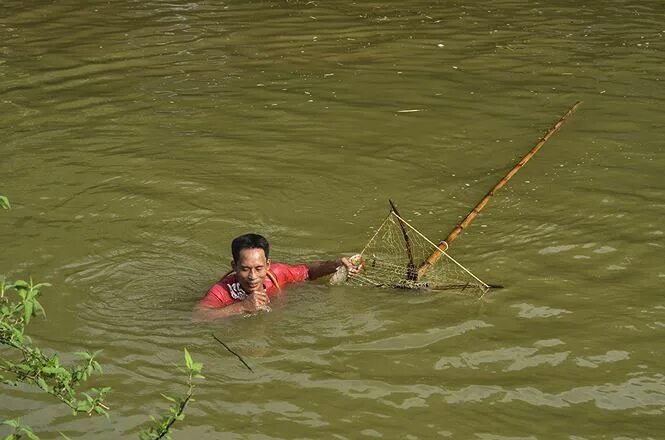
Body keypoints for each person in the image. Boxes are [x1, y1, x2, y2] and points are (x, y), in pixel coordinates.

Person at [194, 233, 359, 319]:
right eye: (245, 269)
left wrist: (336, 264)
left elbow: (308, 271)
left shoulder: (277, 273)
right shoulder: (223, 291)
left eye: (259, 268)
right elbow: (198, 315)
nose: (252, 276)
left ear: (268, 265)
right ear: (234, 267)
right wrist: (241, 307)